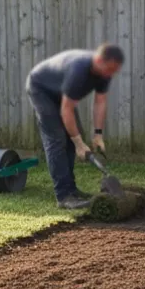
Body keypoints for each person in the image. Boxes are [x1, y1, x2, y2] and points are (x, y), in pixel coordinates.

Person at [26, 44, 125, 209]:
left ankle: (72, 190)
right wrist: (79, 144)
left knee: (72, 135)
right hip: (41, 89)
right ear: (99, 60)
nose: (110, 74)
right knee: (57, 138)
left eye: (114, 71)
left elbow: (100, 101)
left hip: (61, 93)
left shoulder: (104, 73)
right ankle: (64, 196)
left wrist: (98, 134)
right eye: (109, 69)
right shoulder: (79, 69)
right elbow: (66, 109)